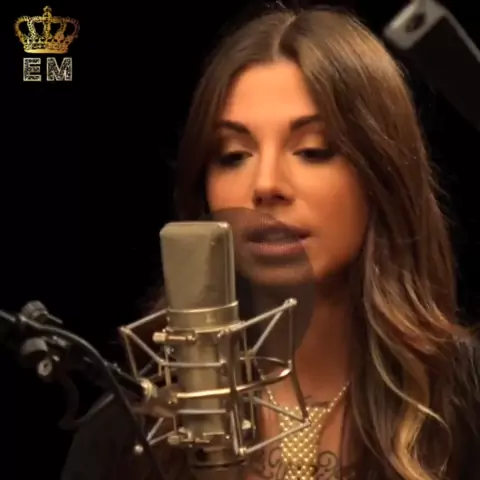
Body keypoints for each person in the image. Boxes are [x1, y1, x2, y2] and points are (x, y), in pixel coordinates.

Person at [62, 6, 480, 480]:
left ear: (381, 176)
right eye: (233, 155)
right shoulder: (131, 433)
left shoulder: (465, 403)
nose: (264, 185)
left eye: (312, 151)